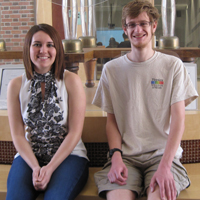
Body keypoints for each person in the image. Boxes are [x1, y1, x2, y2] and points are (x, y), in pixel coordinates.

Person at [92, 1, 198, 200]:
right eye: (132, 24)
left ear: (154, 26)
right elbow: (112, 121)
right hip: (125, 157)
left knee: (158, 197)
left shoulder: (172, 66)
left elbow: (178, 120)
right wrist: (115, 156)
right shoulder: (111, 70)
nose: (137, 29)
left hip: (163, 156)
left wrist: (166, 166)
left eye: (143, 23)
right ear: (125, 29)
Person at [6, 24, 89, 200]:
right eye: (37, 44)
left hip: (69, 156)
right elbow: (18, 136)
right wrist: (36, 167)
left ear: (57, 49)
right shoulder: (15, 85)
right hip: (29, 156)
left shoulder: (71, 81)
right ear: (28, 48)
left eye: (50, 45)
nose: (44, 50)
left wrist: (49, 168)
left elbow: (75, 133)